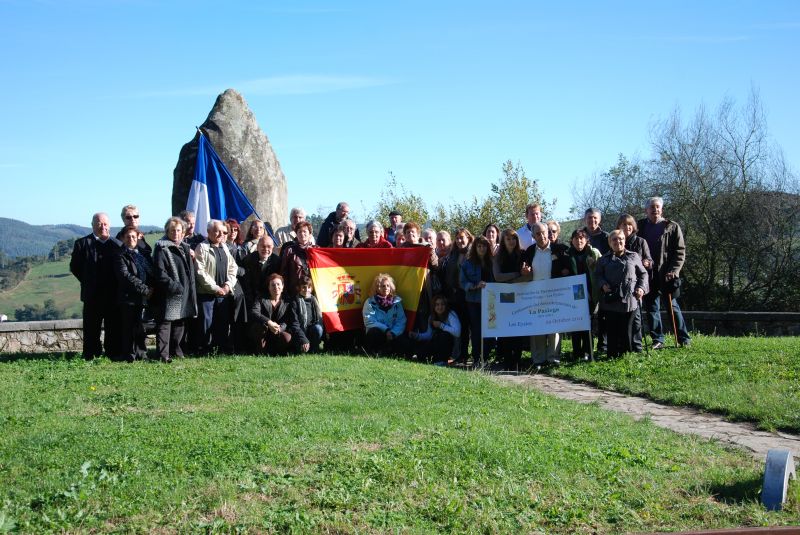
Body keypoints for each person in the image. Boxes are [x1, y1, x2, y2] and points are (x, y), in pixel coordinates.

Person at [638, 196, 691, 349]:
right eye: (652, 207)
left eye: (658, 207)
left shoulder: (672, 227)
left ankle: (683, 338)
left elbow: (680, 251)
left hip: (667, 274)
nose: (655, 210)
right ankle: (658, 340)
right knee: (652, 308)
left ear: (662, 209)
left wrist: (674, 270)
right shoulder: (640, 226)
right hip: (648, 274)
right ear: (646, 210)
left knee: (672, 306)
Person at [70, 212, 121, 360]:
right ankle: (91, 354)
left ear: (109, 225)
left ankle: (113, 353)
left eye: (105, 224)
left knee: (113, 326)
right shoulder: (82, 244)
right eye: (99, 223)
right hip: (92, 294)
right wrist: (88, 280)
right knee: (91, 327)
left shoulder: (116, 244)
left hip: (113, 294)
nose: (103, 226)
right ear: (92, 225)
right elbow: (75, 267)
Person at [524, 222, 575, 366]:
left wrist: (565, 271)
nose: (541, 236)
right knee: (537, 326)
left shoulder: (560, 249)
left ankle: (553, 358)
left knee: (554, 326)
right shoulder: (529, 251)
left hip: (555, 294)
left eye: (543, 232)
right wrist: (525, 273)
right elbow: (524, 271)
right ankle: (538, 359)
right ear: (533, 236)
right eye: (537, 234)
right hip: (534, 295)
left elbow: (570, 267)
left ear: (548, 233)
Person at [595, 230, 648, 357]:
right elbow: (597, 275)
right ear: (609, 242)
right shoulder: (603, 259)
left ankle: (627, 354)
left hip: (630, 299)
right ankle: (612, 355)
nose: (618, 241)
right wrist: (602, 284)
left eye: (621, 239)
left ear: (624, 240)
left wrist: (641, 288)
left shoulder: (633, 256)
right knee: (612, 329)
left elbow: (643, 274)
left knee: (627, 329)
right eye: (614, 239)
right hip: (611, 299)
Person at [152, 217, 197, 363]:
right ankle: (163, 355)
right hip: (169, 293)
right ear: (167, 231)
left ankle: (176, 351)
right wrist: (175, 287)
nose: (176, 233)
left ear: (183, 232)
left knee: (180, 322)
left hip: (185, 292)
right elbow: (160, 273)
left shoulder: (185, 247)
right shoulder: (161, 248)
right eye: (172, 230)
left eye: (179, 230)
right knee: (166, 324)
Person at [194, 219, 239, 354]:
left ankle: (219, 348)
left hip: (223, 293)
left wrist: (227, 285)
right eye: (216, 231)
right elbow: (200, 272)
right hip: (207, 294)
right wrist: (215, 288)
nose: (220, 234)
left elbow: (233, 268)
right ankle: (204, 350)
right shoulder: (202, 248)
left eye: (222, 231)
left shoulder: (224, 247)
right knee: (206, 323)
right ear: (208, 232)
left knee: (222, 322)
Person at [113, 226, 154, 362]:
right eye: (128, 237)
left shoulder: (143, 254)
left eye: (133, 237)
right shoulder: (120, 255)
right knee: (129, 328)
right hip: (129, 298)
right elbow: (125, 276)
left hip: (144, 298)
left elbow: (152, 272)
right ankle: (129, 355)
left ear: (138, 238)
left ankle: (141, 354)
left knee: (140, 328)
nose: (131, 239)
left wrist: (152, 288)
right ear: (123, 238)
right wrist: (145, 290)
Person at [492, 229, 529, 369]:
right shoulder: (498, 256)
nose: (511, 241)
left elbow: (526, 275)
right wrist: (516, 274)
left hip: (520, 295)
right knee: (506, 328)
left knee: (518, 327)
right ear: (503, 241)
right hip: (504, 296)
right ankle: (507, 359)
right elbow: (498, 277)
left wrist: (514, 280)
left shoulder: (522, 254)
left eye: (513, 238)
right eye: (508, 239)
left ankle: (517, 359)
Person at [617, 214, 653, 352]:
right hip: (622, 286)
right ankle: (625, 346)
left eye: (629, 224)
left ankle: (637, 346)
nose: (627, 227)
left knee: (636, 316)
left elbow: (649, 260)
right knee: (623, 317)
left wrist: (647, 262)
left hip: (637, 285)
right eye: (623, 225)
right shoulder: (616, 240)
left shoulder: (641, 242)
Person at [460, 235, 494, 367]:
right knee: (476, 330)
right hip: (473, 301)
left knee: (489, 329)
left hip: (490, 301)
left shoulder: (492, 262)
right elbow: (463, 282)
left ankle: (485, 356)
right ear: (475, 247)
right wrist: (475, 286)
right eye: (479, 246)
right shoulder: (468, 263)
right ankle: (476, 358)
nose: (481, 248)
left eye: (484, 246)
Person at [567, 229, 601, 360]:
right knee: (576, 324)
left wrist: (595, 266)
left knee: (589, 323)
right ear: (572, 240)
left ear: (587, 240)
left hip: (590, 293)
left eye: (581, 238)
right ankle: (576, 352)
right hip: (573, 295)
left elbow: (602, 269)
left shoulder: (594, 253)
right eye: (576, 238)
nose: (579, 241)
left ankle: (588, 352)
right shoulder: (567, 254)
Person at [440, 227, 472, 362]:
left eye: (462, 238)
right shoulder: (453, 254)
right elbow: (448, 274)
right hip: (455, 296)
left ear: (468, 238)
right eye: (457, 238)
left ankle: (468, 354)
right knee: (459, 326)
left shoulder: (473, 253)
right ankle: (459, 354)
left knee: (469, 326)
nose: (459, 241)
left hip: (470, 295)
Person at [248, 273, 298, 355]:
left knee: (287, 338)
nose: (276, 287)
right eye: (273, 285)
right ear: (269, 287)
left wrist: (279, 329)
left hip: (277, 331)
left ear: (282, 286)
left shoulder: (288, 301)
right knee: (259, 327)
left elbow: (287, 319)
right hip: (263, 330)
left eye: (278, 284)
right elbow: (254, 312)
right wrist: (269, 322)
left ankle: (276, 351)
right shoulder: (261, 298)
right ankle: (261, 351)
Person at [362, 273, 409, 356]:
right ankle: (376, 351)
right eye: (383, 286)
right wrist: (386, 330)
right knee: (374, 332)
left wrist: (393, 333)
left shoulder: (397, 302)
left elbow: (401, 320)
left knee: (405, 343)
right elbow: (369, 321)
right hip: (379, 334)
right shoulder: (370, 302)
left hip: (392, 334)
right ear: (377, 288)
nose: (386, 288)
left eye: (388, 286)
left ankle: (391, 351)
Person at [410, 294, 460, 364]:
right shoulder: (431, 317)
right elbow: (429, 335)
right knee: (420, 355)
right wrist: (416, 335)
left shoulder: (451, 314)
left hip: (451, 347)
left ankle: (442, 361)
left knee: (444, 335)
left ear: (446, 306)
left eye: (442, 304)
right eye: (437, 304)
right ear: (434, 306)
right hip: (436, 343)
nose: (440, 307)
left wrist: (441, 325)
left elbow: (457, 332)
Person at [280, 221, 318, 297]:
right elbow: (283, 273)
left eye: (305, 231)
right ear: (296, 234)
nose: (302, 234)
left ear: (310, 234)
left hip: (312, 291)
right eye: (299, 231)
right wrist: (285, 293)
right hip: (294, 291)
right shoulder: (289, 250)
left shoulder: (317, 250)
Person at [240, 236, 280, 306]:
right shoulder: (248, 260)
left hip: (269, 300)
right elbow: (245, 282)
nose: (266, 249)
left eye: (269, 247)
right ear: (257, 247)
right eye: (263, 246)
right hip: (250, 298)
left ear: (272, 248)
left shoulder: (277, 261)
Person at [290, 276, 324, 353]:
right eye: (304, 287)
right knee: (300, 351)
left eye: (309, 287)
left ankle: (314, 348)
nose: (306, 290)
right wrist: (303, 339)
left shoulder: (314, 300)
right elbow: (295, 324)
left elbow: (319, 318)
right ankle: (303, 345)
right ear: (298, 288)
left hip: (312, 330)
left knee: (318, 328)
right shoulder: (295, 302)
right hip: (300, 331)